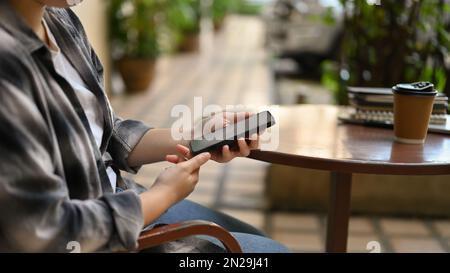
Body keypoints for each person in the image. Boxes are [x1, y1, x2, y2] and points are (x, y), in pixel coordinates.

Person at [0, 0, 288, 253]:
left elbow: (108, 131)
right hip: (95, 235)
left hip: (122, 200)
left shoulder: (59, 20)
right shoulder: (8, 69)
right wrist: (162, 196)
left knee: (257, 238)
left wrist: (196, 138)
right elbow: (43, 235)